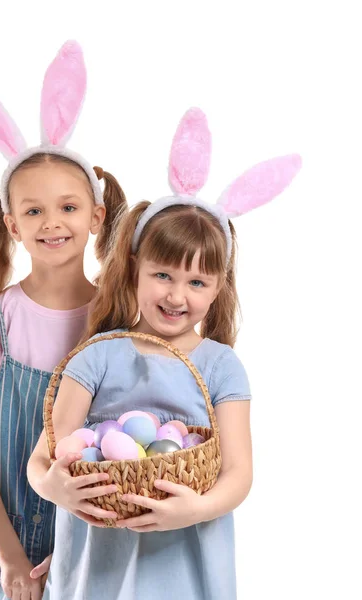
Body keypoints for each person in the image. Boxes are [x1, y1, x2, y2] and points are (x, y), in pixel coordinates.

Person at [28, 107, 301, 599]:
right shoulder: (97, 356)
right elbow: (45, 457)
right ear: (135, 267)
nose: (177, 296)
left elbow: (239, 473)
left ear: (217, 289)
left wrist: (193, 509)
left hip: (183, 556)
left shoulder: (220, 366)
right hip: (101, 557)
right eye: (163, 275)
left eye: (197, 282)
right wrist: (56, 488)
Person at [0, 41, 127, 600]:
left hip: (84, 541)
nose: (52, 223)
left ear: (95, 216)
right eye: (33, 210)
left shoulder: (114, 319)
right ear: (12, 223)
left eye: (68, 207)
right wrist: (11, 559)